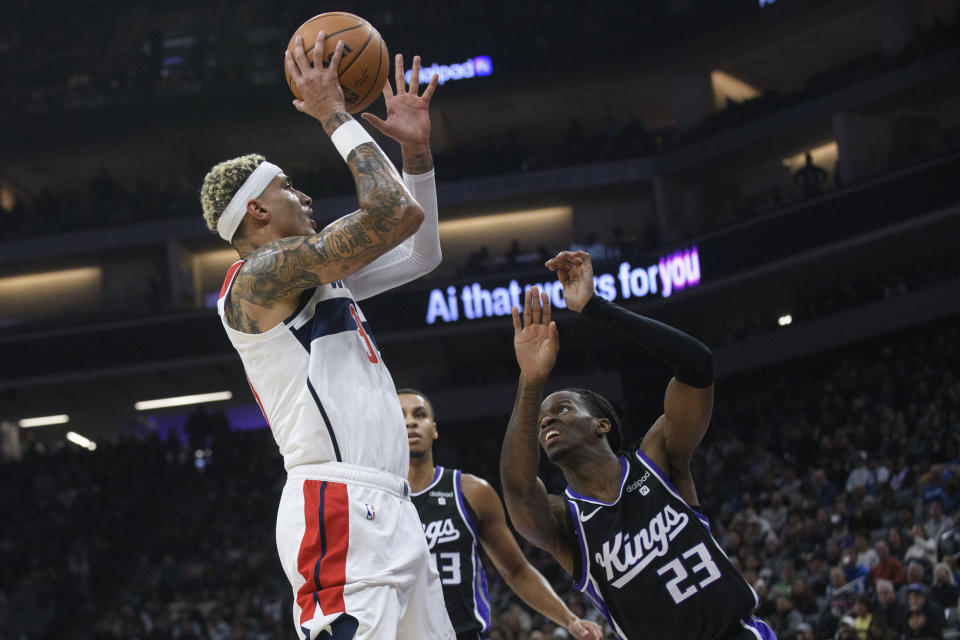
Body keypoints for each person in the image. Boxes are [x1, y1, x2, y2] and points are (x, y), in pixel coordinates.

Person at [199, 32, 453, 639]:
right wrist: (333, 114)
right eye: (286, 187)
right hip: (336, 505)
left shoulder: (318, 283)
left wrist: (417, 154)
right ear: (256, 212)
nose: (303, 194)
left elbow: (420, 251)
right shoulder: (256, 284)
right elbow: (392, 216)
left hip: (393, 506)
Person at [499, 250, 776, 639]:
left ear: (601, 423)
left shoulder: (659, 457)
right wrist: (530, 382)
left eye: (561, 408)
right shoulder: (564, 521)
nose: (546, 419)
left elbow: (697, 366)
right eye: (542, 418)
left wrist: (597, 308)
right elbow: (517, 488)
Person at [398, 389, 602, 640]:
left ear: (434, 429)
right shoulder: (370, 500)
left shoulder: (471, 491)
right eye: (400, 416)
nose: (410, 422)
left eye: (420, 415)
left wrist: (569, 620)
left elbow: (517, 570)